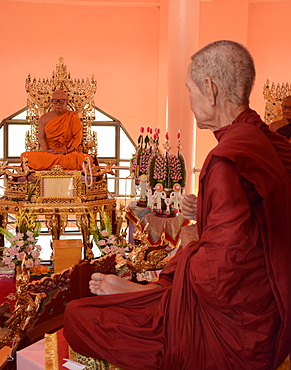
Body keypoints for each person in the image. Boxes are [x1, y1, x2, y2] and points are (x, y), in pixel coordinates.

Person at [64, 40, 291, 369]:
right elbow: (254, 228)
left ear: (209, 89)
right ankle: (146, 293)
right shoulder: (270, 141)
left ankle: (144, 295)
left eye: (190, 89)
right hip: (271, 305)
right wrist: (201, 221)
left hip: (238, 328)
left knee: (78, 315)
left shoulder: (227, 158)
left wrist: (189, 243)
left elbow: (220, 275)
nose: (191, 100)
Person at [21, 90, 93, 170]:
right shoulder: (44, 118)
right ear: (52, 102)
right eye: (55, 101)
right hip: (50, 154)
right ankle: (61, 163)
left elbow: (78, 138)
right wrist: (47, 150)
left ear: (66, 102)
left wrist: (67, 150)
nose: (58, 104)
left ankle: (56, 163)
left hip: (67, 153)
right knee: (25, 156)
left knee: (86, 159)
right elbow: (41, 137)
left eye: (61, 101)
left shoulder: (73, 117)